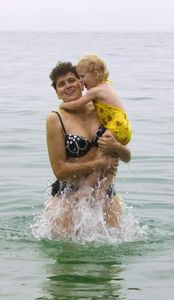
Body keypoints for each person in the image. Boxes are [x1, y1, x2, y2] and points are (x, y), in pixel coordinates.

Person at [45, 61, 131, 238]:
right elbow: (60, 170)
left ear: (81, 82)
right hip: (69, 196)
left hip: (104, 194)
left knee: (114, 261)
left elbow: (127, 157)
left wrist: (116, 148)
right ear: (57, 93)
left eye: (71, 80)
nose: (68, 86)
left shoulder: (100, 109)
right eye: (61, 84)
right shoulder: (55, 119)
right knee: (66, 260)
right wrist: (99, 163)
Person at [59, 54, 132, 199]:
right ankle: (103, 189)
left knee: (102, 151)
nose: (81, 81)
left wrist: (63, 105)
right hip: (122, 124)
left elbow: (77, 104)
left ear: (96, 74)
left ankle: (88, 188)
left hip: (116, 123)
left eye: (82, 77)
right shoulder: (107, 85)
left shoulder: (96, 91)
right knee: (111, 156)